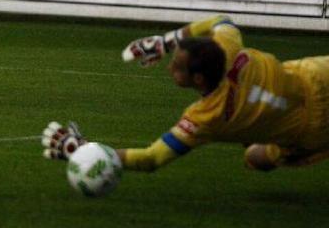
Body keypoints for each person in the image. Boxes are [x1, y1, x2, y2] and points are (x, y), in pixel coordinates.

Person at [41, 15, 329, 172]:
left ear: (199, 79)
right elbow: (223, 20)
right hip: (317, 76)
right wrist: (166, 42)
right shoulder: (228, 47)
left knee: (255, 158)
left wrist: (87, 153)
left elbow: (152, 158)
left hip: (310, 133)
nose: (170, 69)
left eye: (177, 66)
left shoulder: (205, 118)